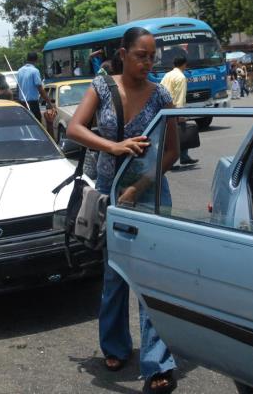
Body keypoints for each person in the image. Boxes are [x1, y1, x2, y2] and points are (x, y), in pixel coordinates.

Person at [67, 27, 179, 394]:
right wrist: (112, 148)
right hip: (108, 193)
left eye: (152, 57)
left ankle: (157, 362)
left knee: (152, 278)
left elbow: (171, 151)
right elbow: (74, 129)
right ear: (123, 53)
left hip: (149, 196)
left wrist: (137, 187)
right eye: (140, 55)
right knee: (115, 275)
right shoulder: (101, 87)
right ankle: (114, 346)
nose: (147, 63)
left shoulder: (161, 94)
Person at [160, 52, 198, 166]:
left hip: (164, 108)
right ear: (184, 65)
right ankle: (176, 160)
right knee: (178, 134)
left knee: (170, 135)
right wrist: (180, 114)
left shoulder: (167, 75)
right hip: (174, 109)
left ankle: (183, 156)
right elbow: (180, 96)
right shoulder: (181, 77)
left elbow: (160, 89)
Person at [17, 51, 54, 121]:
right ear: (36, 60)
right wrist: (49, 103)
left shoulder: (19, 71)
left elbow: (18, 88)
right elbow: (40, 88)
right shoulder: (35, 71)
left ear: (27, 59)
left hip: (22, 104)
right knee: (37, 124)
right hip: (32, 104)